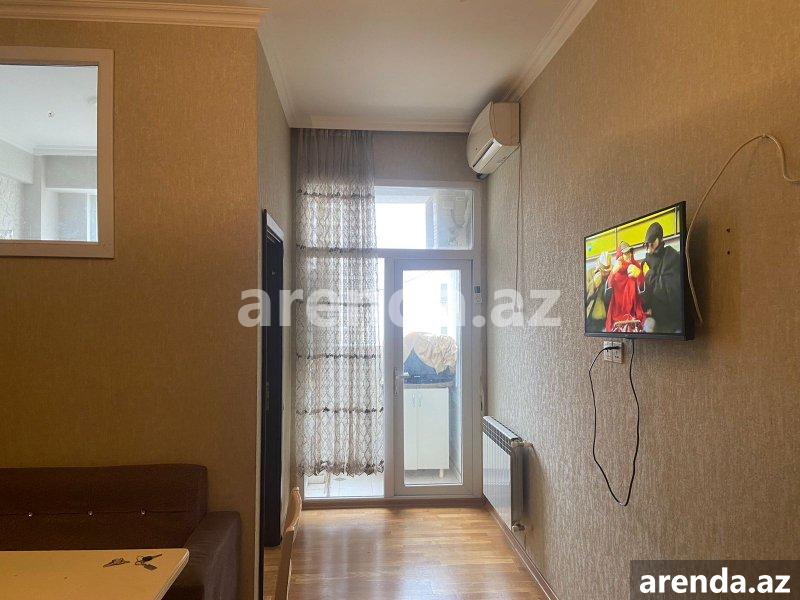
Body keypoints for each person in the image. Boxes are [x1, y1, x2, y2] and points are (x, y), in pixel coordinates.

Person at [641, 221, 683, 333]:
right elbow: (644, 299)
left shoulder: (672, 256)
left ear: (659, 240)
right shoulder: (646, 262)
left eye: (651, 244)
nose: (649, 248)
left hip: (672, 323)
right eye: (647, 245)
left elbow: (670, 293)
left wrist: (648, 275)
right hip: (654, 319)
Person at [604, 241, 646, 333]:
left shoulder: (636, 266)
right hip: (617, 315)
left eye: (630, 252)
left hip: (634, 314)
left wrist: (639, 275)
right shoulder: (616, 271)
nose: (629, 254)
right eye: (626, 253)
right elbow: (607, 295)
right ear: (620, 256)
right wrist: (612, 273)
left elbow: (643, 290)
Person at [586, 251, 611, 332]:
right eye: (604, 271)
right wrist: (593, 284)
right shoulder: (590, 274)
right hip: (591, 321)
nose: (606, 273)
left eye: (607, 271)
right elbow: (583, 298)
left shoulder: (611, 277)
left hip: (605, 320)